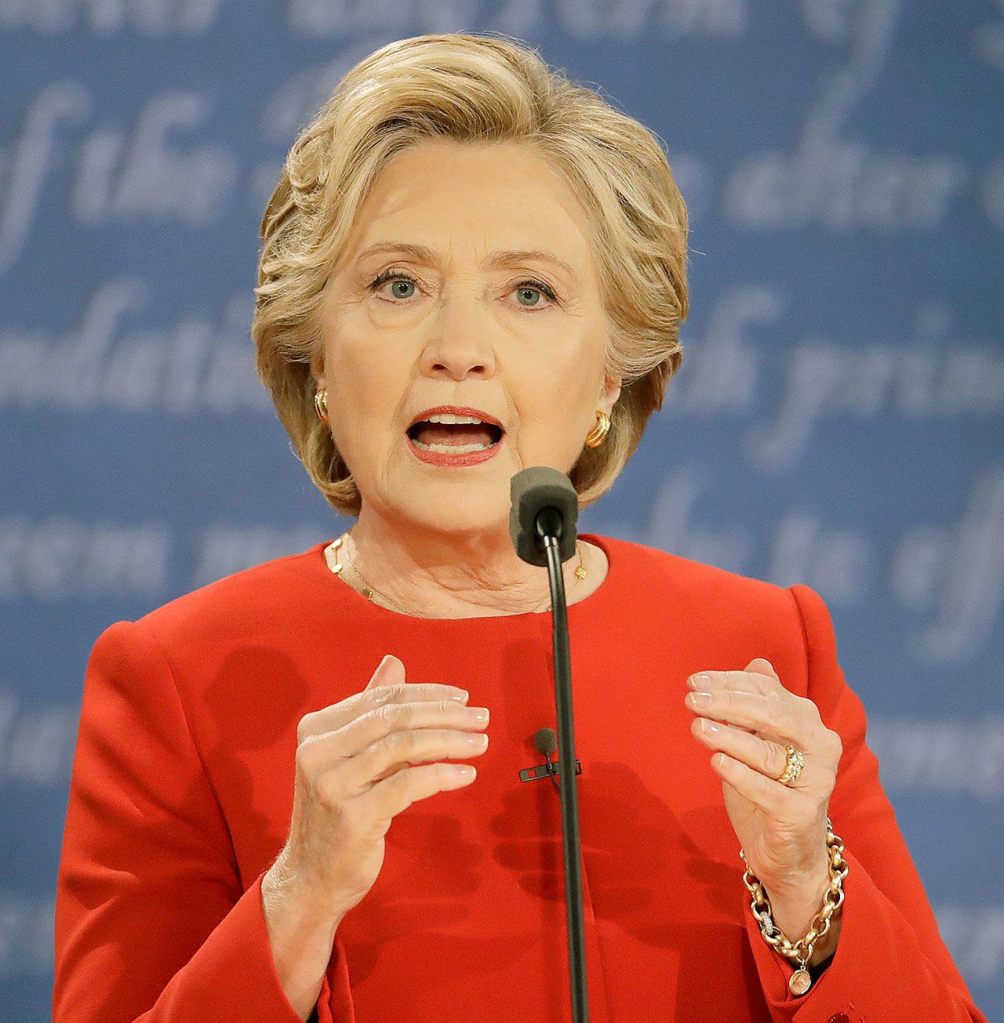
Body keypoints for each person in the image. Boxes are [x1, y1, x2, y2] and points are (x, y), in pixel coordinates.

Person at [52, 32, 986, 1023]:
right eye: (396, 286)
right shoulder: (180, 680)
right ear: (315, 360)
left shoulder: (763, 649)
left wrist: (804, 882)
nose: (458, 349)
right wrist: (297, 897)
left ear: (609, 374)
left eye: (528, 293)